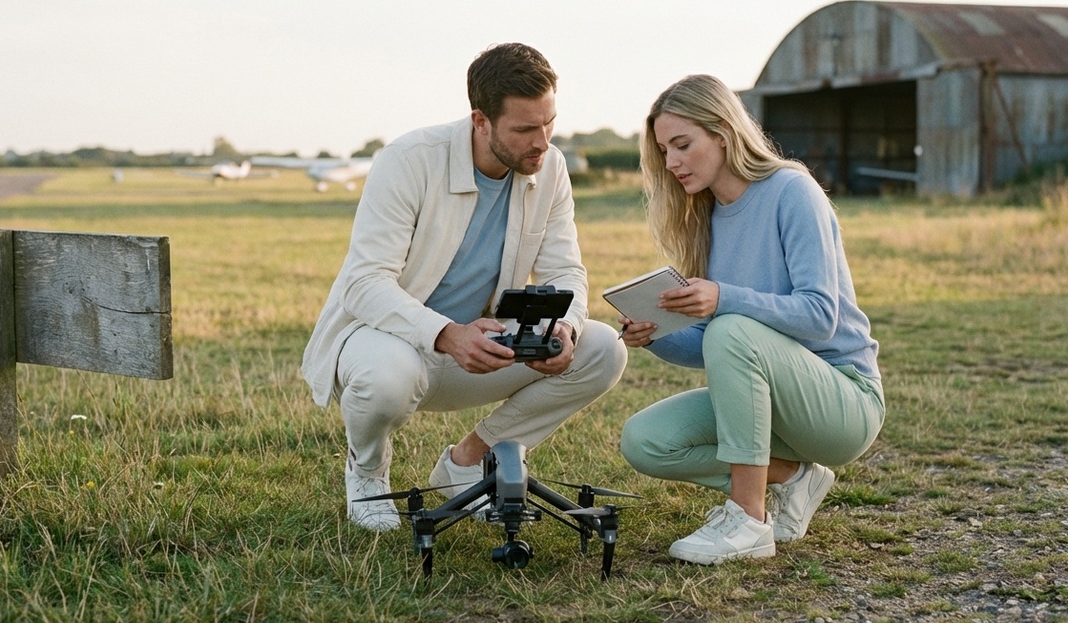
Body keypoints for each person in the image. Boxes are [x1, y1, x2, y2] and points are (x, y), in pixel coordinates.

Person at [302, 43, 628, 531]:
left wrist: (566, 327)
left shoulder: (550, 166)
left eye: (549, 124)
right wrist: (449, 333)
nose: (541, 142)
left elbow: (567, 272)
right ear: (480, 121)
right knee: (388, 376)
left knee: (603, 348)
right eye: (524, 130)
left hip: (483, 346)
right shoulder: (408, 160)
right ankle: (367, 472)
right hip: (388, 342)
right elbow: (364, 282)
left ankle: (466, 464)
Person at [617, 74, 884, 564]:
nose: (672, 162)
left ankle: (747, 519)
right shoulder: (707, 217)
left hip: (844, 403)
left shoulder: (792, 191)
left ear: (723, 131)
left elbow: (820, 317)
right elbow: (721, 351)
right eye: (664, 151)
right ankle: (794, 478)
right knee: (645, 441)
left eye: (682, 145)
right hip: (774, 406)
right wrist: (655, 335)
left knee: (731, 325)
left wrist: (722, 298)